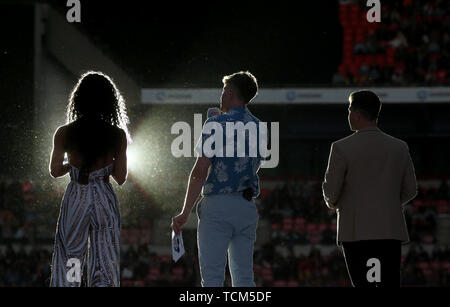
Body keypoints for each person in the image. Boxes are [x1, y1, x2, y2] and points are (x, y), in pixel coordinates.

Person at [171, 71, 264, 287]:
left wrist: (185, 212)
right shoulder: (259, 127)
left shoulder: (215, 124)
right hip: (246, 206)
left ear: (230, 93)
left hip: (218, 205)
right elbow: (253, 166)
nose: (221, 97)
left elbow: (199, 172)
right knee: (244, 278)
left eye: (223, 92)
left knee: (212, 278)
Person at [322, 90, 417, 287]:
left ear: (356, 113)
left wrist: (340, 204)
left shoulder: (341, 148)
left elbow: (331, 194)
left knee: (364, 284)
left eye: (349, 110)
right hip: (389, 229)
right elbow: (411, 189)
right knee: (388, 283)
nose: (348, 115)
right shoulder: (399, 147)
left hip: (356, 232)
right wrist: (387, 203)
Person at [48, 71, 131, 287]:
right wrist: (103, 167)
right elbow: (121, 177)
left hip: (77, 194)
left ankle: (70, 284)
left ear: (78, 100)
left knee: (72, 254)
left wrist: (73, 167)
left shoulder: (64, 132)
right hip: (103, 194)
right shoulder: (117, 135)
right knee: (104, 255)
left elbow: (55, 170)